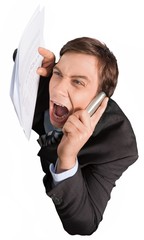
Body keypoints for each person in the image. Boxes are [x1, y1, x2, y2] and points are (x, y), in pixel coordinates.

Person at [14, 37, 138, 235]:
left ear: (98, 100)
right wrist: (40, 66)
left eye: (78, 82)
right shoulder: (47, 84)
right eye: (58, 73)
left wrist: (67, 158)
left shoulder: (118, 144)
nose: (58, 88)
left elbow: (84, 224)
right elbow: (19, 57)